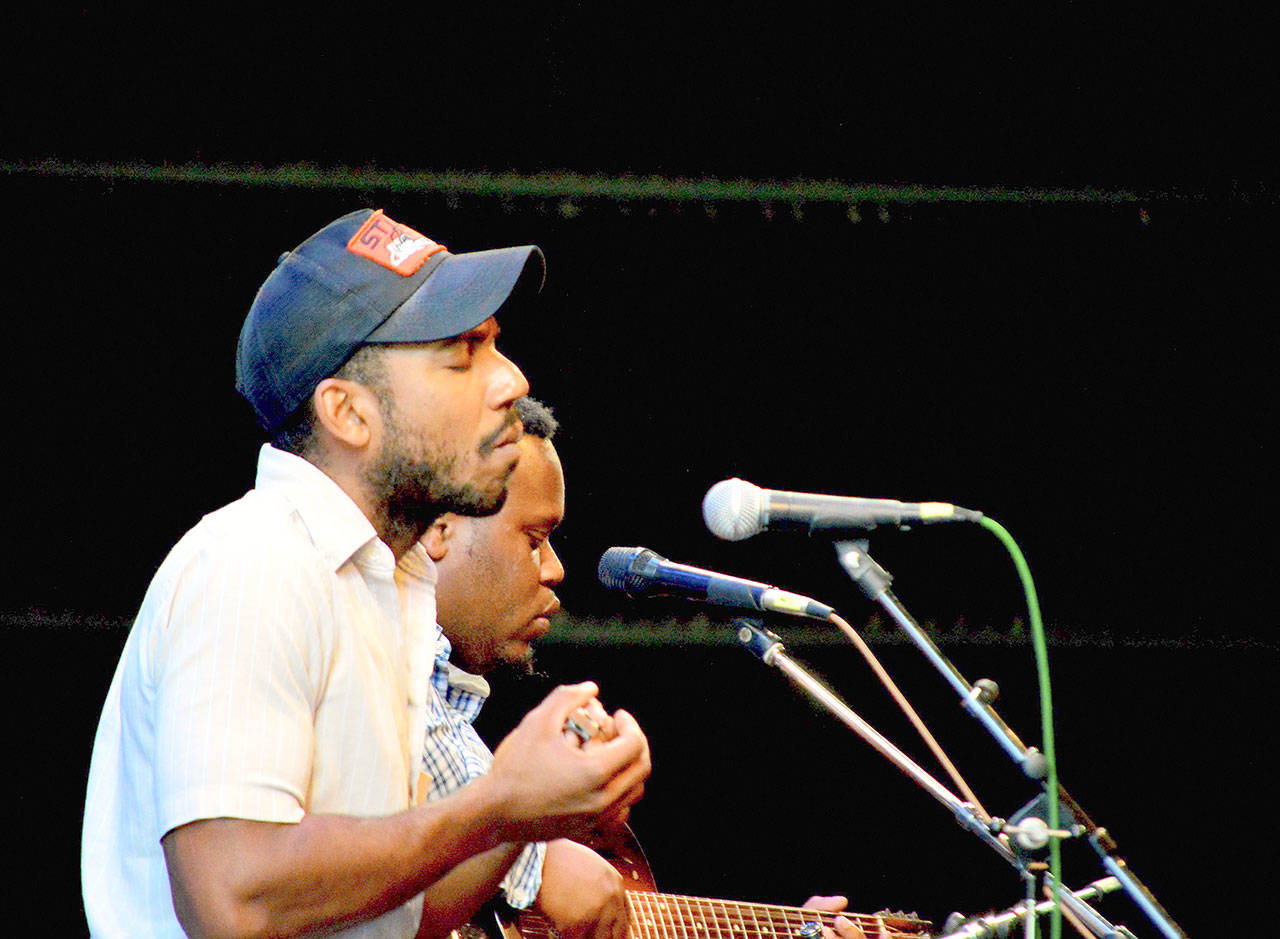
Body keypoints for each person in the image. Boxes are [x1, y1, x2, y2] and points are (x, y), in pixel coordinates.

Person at [81, 209, 650, 939]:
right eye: (463, 353)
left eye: (497, 346)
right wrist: (498, 804)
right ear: (348, 412)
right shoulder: (257, 560)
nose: (511, 380)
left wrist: (526, 813)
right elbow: (232, 901)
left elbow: (390, 922)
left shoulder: (387, 587)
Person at [421, 396, 886, 939]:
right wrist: (530, 845)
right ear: (438, 527)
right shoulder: (385, 668)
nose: (555, 568)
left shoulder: (447, 698)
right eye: (535, 539)